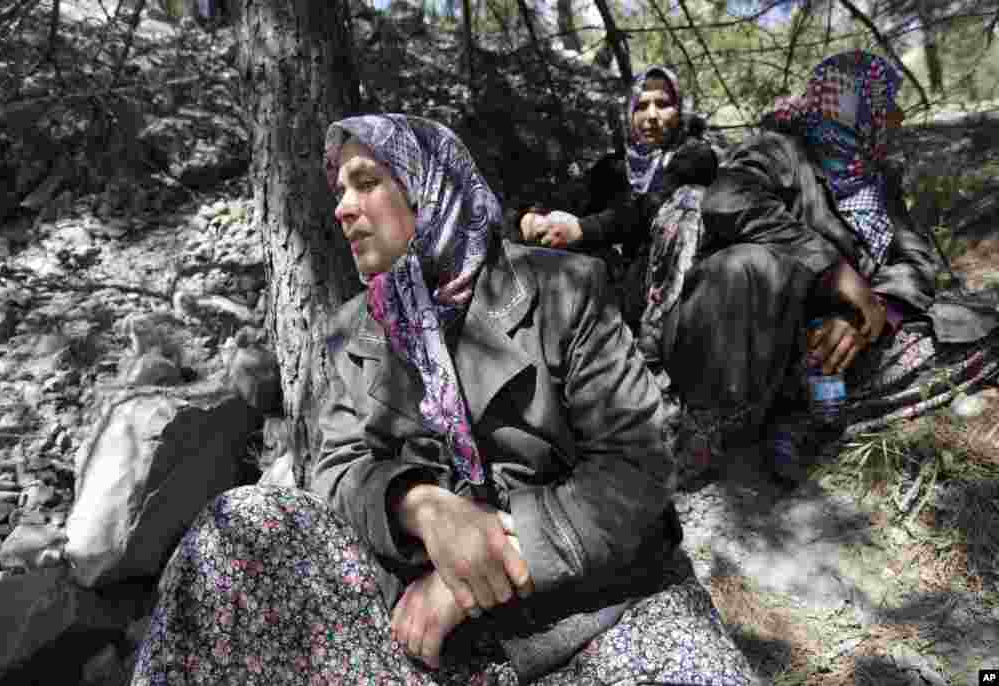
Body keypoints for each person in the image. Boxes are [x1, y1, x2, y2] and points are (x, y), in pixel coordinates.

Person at [129, 114, 757, 685]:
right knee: (236, 526)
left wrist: (471, 578)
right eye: (339, 193)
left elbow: (636, 471)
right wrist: (424, 507)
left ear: (429, 186)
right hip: (426, 642)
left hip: (598, 610)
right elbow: (336, 471)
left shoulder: (564, 289)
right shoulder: (355, 331)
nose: (344, 209)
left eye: (366, 181)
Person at [653, 49, 998, 484]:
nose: (896, 116)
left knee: (974, 321)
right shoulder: (779, 153)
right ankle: (707, 428)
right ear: (854, 108)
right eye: (884, 103)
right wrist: (833, 269)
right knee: (746, 264)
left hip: (830, 350)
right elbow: (728, 201)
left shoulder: (878, 181)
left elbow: (913, 260)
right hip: (744, 344)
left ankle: (799, 418)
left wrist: (866, 312)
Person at [517, 65, 721, 328]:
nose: (652, 115)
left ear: (679, 110)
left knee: (688, 199)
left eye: (663, 104)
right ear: (629, 112)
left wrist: (581, 229)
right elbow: (568, 197)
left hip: (673, 295)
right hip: (618, 291)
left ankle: (659, 337)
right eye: (641, 105)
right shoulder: (615, 166)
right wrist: (531, 216)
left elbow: (649, 208)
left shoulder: (696, 157)